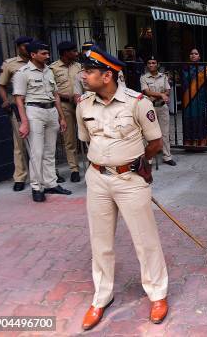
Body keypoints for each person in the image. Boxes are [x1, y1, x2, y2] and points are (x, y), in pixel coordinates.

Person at [76, 47, 169, 330]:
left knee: (145, 239)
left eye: (89, 72)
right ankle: (102, 296)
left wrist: (138, 164)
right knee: (100, 241)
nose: (83, 75)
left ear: (107, 76)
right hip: (97, 180)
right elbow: (86, 140)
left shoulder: (137, 102)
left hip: (130, 180)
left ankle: (157, 293)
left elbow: (155, 143)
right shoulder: (83, 105)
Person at [12, 40, 72, 202]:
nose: (47, 56)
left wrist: (61, 117)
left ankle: (51, 183)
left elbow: (56, 95)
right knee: (36, 152)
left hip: (51, 111)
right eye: (43, 53)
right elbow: (19, 99)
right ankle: (37, 187)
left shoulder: (49, 71)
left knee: (50, 151)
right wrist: (24, 122)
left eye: (47, 53)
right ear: (33, 55)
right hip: (34, 111)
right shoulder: (23, 73)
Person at [0, 35, 32, 191]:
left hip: (37, 106)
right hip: (18, 107)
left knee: (42, 143)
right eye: (24, 46)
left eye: (29, 45)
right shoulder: (10, 64)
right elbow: (1, 85)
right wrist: (6, 101)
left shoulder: (38, 60)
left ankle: (49, 173)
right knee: (19, 144)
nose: (27, 48)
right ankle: (20, 177)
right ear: (18, 47)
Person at [50, 41, 82, 182]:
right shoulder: (53, 68)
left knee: (87, 134)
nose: (76, 53)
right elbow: (52, 91)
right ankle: (74, 169)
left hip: (81, 104)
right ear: (65, 53)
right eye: (73, 51)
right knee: (69, 139)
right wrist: (66, 96)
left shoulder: (79, 66)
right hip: (64, 105)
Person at [141, 57, 176, 165]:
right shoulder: (144, 78)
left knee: (165, 133)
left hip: (162, 107)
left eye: (153, 63)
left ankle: (167, 156)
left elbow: (168, 90)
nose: (151, 65)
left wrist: (163, 95)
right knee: (148, 133)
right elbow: (147, 92)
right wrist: (161, 95)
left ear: (157, 64)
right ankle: (149, 158)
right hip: (149, 108)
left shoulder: (163, 77)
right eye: (149, 63)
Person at [182, 48, 207, 147]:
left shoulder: (206, 69)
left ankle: (202, 143)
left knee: (201, 120)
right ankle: (189, 143)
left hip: (201, 99)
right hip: (188, 100)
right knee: (188, 120)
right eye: (191, 53)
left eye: (196, 53)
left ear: (199, 56)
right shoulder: (184, 68)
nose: (193, 55)